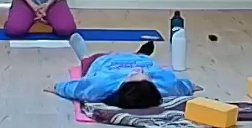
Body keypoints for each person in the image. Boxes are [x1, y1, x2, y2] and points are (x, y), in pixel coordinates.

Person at [52, 42, 198, 109]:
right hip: (140, 59)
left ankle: (83, 55)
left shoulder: (101, 84)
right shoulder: (164, 84)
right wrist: (192, 86)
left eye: (134, 75)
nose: (139, 71)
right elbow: (181, 86)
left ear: (123, 85)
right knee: (142, 59)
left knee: (88, 63)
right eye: (145, 75)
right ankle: (140, 54)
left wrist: (57, 87)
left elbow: (77, 88)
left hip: (106, 60)